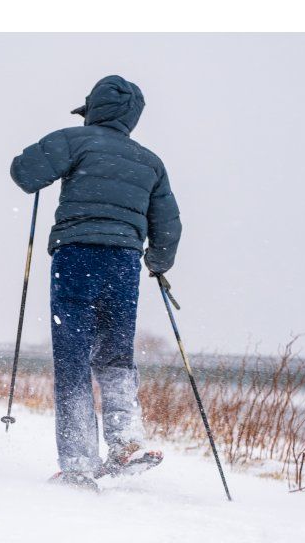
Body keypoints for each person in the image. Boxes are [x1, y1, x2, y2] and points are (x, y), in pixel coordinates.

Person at [10, 75, 182, 490]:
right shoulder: (150, 162)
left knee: (73, 358)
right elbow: (169, 226)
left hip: (76, 256)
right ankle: (126, 441)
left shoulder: (74, 141)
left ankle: (78, 463)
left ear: (93, 110)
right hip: (123, 263)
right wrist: (157, 262)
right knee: (116, 354)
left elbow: (24, 172)